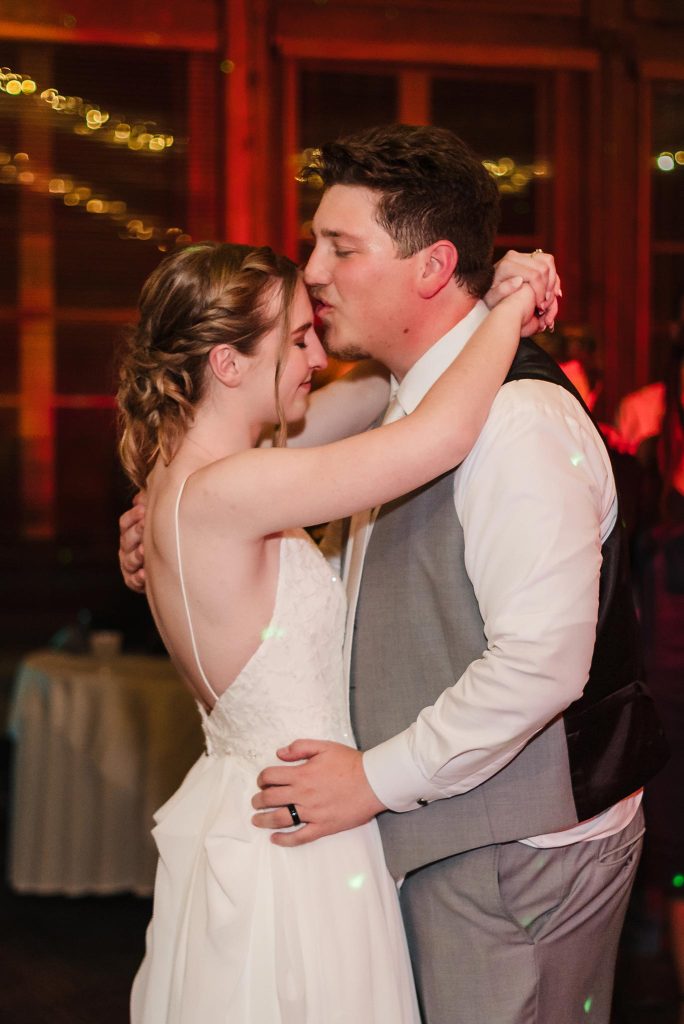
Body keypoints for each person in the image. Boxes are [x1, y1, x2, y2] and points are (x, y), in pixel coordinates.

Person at [117, 238, 538, 1023]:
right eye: (298, 339)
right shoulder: (236, 487)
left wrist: (449, 320)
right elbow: (437, 437)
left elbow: (380, 387)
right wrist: (512, 305)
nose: (318, 355)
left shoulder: (182, 475)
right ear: (229, 363)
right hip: (304, 829)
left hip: (257, 805)